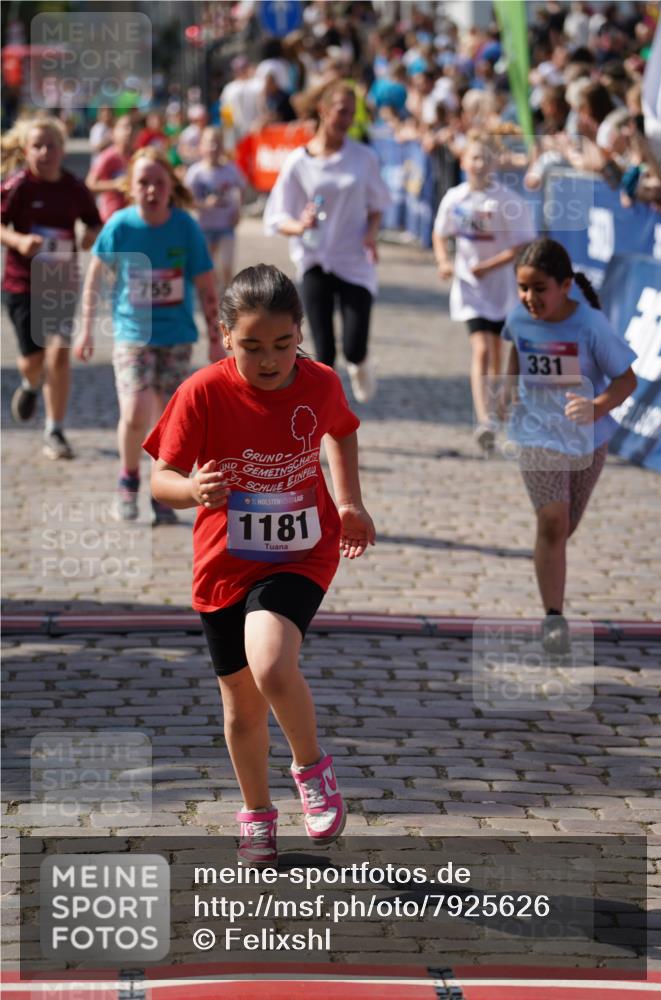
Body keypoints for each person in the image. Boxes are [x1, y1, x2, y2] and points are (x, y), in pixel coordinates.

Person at [143, 264, 376, 864]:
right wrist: (192, 490)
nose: (269, 360)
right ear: (225, 337)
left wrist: (348, 503)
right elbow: (159, 479)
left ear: (300, 333)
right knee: (241, 709)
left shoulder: (320, 383)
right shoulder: (202, 392)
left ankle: (312, 769)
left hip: (302, 552)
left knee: (272, 664)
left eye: (282, 344)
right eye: (252, 347)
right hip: (224, 563)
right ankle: (256, 811)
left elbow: (343, 433)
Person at [501, 238, 637, 653]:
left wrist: (596, 407)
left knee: (565, 528)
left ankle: (550, 578)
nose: (529, 298)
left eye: (539, 288)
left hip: (587, 441)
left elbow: (627, 380)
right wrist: (507, 391)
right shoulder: (519, 319)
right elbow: (515, 353)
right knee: (553, 524)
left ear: (564, 285)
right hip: (536, 435)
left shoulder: (591, 326)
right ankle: (553, 619)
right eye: (523, 288)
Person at [73, 147, 221, 524]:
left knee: (167, 421)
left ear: (171, 186)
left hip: (177, 336)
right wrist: (87, 328)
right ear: (129, 188)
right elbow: (94, 276)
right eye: (143, 182)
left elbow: (206, 284)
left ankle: (161, 487)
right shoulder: (120, 226)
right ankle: (128, 477)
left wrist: (216, 335)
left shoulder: (185, 227)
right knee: (136, 409)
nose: (152, 190)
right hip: (132, 332)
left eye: (159, 182)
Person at [263, 82, 391, 404]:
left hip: (354, 260)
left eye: (352, 113)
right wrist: (300, 225)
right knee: (324, 352)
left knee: (354, 345)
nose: (347, 119)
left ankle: (360, 364)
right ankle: (324, 413)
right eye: (341, 112)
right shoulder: (298, 162)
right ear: (323, 110)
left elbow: (378, 205)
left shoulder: (363, 157)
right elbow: (278, 217)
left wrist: (371, 233)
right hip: (314, 259)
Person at [0, 114, 101, 458]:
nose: (45, 152)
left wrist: (90, 236)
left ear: (63, 149)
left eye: (51, 146)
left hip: (59, 284)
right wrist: (16, 239)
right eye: (37, 146)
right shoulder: (17, 186)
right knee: (33, 359)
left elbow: (94, 223)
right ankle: (30, 383)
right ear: (26, 151)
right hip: (21, 283)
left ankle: (54, 430)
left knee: (58, 354)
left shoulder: (74, 188)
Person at [432, 132, 536, 453]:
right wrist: (444, 261)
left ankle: (498, 408)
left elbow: (522, 245)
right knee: (480, 349)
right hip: (469, 287)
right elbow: (440, 234)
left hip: (500, 287)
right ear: (463, 162)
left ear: (493, 163)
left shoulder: (507, 201)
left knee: (497, 352)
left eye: (484, 158)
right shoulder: (455, 198)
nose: (478, 164)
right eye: (473, 158)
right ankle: (485, 419)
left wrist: (491, 265)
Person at [185, 127, 246, 294]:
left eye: (216, 143)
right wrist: (204, 204)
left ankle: (228, 299)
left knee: (227, 265)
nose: (213, 147)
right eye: (209, 143)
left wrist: (238, 211)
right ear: (201, 147)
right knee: (208, 268)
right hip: (204, 227)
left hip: (226, 225)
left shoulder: (230, 170)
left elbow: (242, 188)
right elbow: (186, 200)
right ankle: (213, 295)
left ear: (221, 147)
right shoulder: (195, 173)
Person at [85, 114, 134, 222]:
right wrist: (115, 184)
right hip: (111, 217)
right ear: (113, 133)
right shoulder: (107, 157)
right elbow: (90, 184)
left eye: (133, 127)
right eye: (124, 127)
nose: (129, 131)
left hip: (132, 216)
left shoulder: (137, 156)